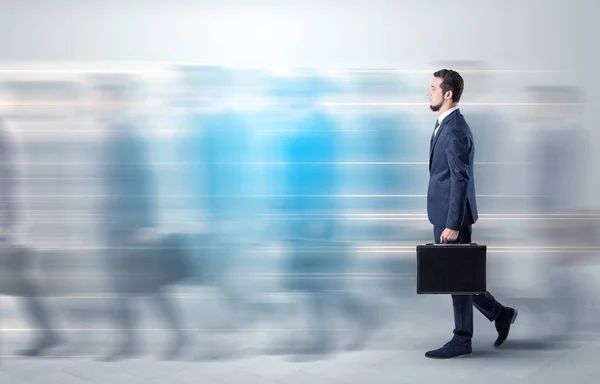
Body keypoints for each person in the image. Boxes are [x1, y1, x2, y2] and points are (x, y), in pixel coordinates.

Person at [424, 69, 517, 359]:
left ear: (447, 94)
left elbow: (459, 179)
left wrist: (452, 224)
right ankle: (500, 313)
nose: (428, 92)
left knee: (457, 278)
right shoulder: (447, 124)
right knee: (458, 276)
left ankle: (463, 339)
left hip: (453, 218)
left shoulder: (453, 129)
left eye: (433, 88)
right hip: (445, 213)